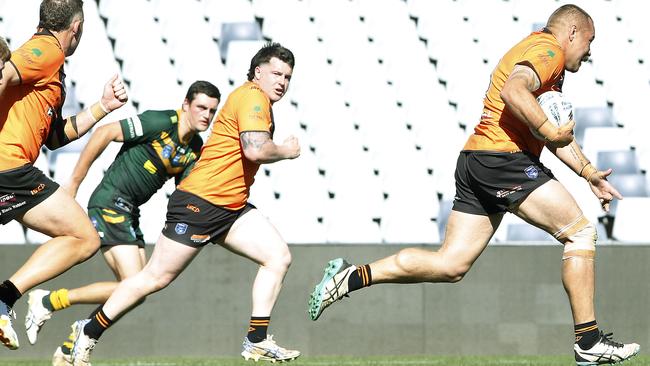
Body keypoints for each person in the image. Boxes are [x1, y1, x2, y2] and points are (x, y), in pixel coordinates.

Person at [308, 4, 640, 365]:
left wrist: (588, 172)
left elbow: (548, 131)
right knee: (579, 233)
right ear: (572, 32)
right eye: (590, 40)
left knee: (450, 264)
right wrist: (547, 130)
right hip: (503, 159)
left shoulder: (542, 58)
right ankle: (588, 342)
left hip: (477, 160)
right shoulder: (549, 52)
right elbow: (515, 92)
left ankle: (351, 277)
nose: (590, 51)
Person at [69, 42, 301, 365]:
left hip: (230, 207)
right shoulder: (253, 96)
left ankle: (257, 340)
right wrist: (287, 150)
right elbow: (255, 149)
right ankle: (88, 330)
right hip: (201, 203)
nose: (282, 82)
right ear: (258, 72)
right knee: (154, 278)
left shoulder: (257, 100)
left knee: (278, 256)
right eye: (277, 73)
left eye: (288, 77)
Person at [21, 81, 220, 364]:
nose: (206, 115)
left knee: (137, 291)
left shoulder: (194, 148)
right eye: (201, 107)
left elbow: (186, 192)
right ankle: (52, 304)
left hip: (130, 212)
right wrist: (74, 183)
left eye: (212, 110)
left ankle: (68, 341)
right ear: (186, 104)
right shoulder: (160, 121)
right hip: (110, 202)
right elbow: (104, 132)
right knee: (134, 285)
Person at [0, 0, 128, 351]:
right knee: (83, 237)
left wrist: (103, 107)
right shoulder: (45, 50)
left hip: (10, 172)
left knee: (80, 236)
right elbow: (4, 73)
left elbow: (54, 137)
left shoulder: (48, 63)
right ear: (77, 28)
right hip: (9, 169)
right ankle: (3, 299)